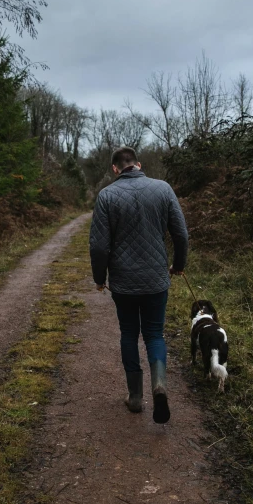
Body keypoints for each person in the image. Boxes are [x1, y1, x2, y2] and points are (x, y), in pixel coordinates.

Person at [89, 147, 188, 424]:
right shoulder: (163, 189)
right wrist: (179, 265)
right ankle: (160, 387)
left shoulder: (107, 196)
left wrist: (99, 278)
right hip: (156, 279)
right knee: (155, 335)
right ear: (139, 164)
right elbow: (180, 234)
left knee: (129, 334)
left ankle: (135, 398)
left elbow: (99, 247)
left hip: (123, 283)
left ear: (115, 169)